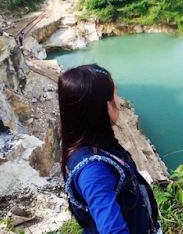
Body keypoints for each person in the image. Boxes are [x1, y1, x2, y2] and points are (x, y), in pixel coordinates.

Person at [58, 64, 161, 234]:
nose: (119, 100)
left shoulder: (83, 140)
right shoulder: (94, 170)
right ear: (105, 107)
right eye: (115, 94)